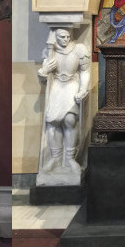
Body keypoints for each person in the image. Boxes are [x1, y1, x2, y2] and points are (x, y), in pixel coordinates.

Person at [37, 28, 90, 178]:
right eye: (61, 37)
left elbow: (85, 72)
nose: (65, 40)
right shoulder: (50, 52)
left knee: (70, 120)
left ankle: (70, 158)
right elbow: (43, 76)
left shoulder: (79, 49)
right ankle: (55, 157)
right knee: (53, 123)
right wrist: (44, 70)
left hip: (72, 85)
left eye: (67, 37)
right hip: (57, 86)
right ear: (55, 37)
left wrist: (82, 90)